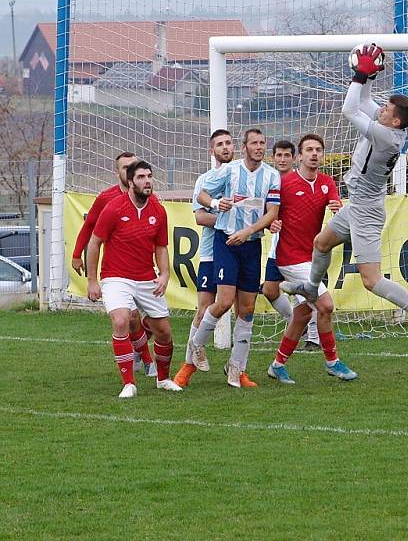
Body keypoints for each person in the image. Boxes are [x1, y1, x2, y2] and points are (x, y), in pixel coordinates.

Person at [281, 43, 408, 354]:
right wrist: (370, 75)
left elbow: (350, 109)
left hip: (367, 212)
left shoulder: (385, 136)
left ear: (395, 121)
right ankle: (311, 289)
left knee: (371, 280)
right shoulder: (388, 125)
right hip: (358, 206)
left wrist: (359, 73)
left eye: (387, 110)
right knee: (321, 243)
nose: (381, 109)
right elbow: (366, 100)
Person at [188, 128, 281, 388]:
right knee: (224, 302)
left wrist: (251, 231)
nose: (260, 147)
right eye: (254, 143)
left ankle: (236, 367)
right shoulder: (230, 171)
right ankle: (196, 345)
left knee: (248, 308)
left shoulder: (272, 176)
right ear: (245, 147)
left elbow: (272, 211)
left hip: (250, 244)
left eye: (263, 142)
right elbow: (202, 195)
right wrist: (217, 204)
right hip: (227, 241)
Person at [86, 160, 183, 398]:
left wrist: (164, 274)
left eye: (149, 176)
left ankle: (163, 379)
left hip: (146, 278)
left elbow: (161, 247)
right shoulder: (114, 208)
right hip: (116, 277)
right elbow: (94, 242)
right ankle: (129, 383)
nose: (147, 181)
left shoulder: (158, 210)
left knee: (164, 332)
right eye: (141, 177)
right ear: (130, 182)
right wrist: (92, 280)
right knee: (121, 320)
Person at [267, 133, 357, 384]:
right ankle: (332, 362)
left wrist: (339, 211)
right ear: (300, 156)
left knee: (303, 313)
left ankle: (277, 364)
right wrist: (271, 223)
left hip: (314, 258)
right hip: (290, 257)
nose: (314, 154)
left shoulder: (327, 182)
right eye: (309, 150)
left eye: (318, 149)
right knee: (326, 305)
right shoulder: (284, 183)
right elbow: (268, 212)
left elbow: (336, 205)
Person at [72, 151, 156, 377]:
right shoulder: (106, 198)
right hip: (117, 271)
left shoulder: (150, 199)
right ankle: (146, 363)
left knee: (149, 321)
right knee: (128, 317)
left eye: (133, 166)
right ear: (118, 172)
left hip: (145, 272)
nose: (130, 169)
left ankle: (141, 355)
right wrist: (77, 254)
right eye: (124, 167)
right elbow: (90, 228)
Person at [173, 129, 234, 388]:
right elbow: (200, 218)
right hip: (211, 252)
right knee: (206, 307)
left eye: (228, 143)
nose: (225, 147)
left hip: (241, 249)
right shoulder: (205, 181)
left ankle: (237, 368)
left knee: (241, 308)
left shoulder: (243, 177)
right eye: (219, 144)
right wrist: (229, 220)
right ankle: (189, 360)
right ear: (212, 151)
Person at [261, 140, 321, 351]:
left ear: (294, 158)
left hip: (298, 249)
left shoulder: (300, 180)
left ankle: (314, 338)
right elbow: (267, 213)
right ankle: (296, 322)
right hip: (276, 248)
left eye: (287, 155)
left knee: (305, 293)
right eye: (279, 155)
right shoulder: (271, 181)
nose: (283, 159)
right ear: (273, 158)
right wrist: (271, 224)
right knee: (269, 290)